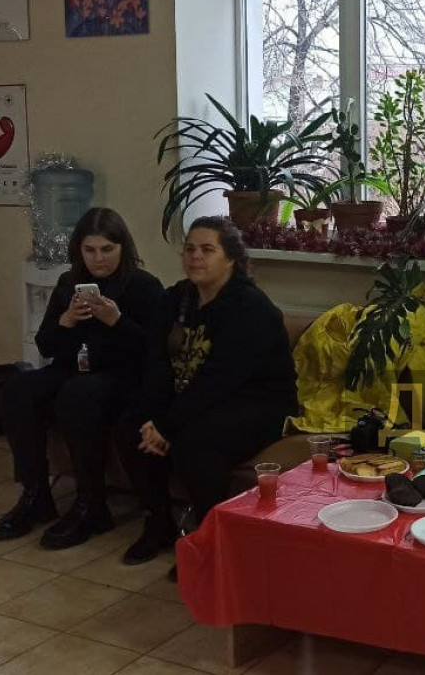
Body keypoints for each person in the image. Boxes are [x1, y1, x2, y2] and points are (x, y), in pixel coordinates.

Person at [114, 217, 297, 565]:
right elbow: (157, 365)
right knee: (130, 426)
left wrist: (168, 425)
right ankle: (158, 522)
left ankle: (211, 539)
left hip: (256, 403)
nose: (195, 257)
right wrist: (154, 417)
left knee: (195, 443)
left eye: (207, 249)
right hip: (193, 397)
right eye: (189, 249)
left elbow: (220, 380)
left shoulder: (250, 307)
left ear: (230, 258)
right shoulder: (174, 299)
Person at [0, 208, 162, 549]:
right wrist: (67, 320)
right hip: (73, 368)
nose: (98, 259)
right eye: (90, 250)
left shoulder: (144, 286)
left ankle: (91, 503)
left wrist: (117, 321)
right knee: (19, 388)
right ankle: (35, 493)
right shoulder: (69, 283)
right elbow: (46, 345)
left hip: (121, 377)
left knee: (78, 393)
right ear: (79, 250)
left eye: (107, 249)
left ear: (123, 248)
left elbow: (152, 352)